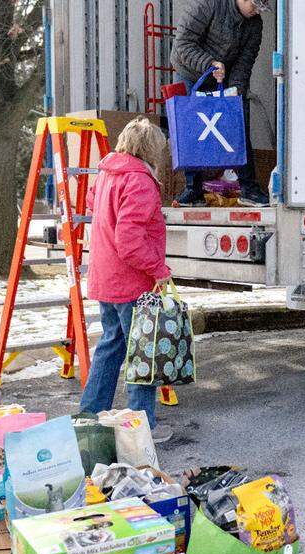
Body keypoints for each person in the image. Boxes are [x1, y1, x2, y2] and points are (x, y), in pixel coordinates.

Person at [79, 117, 174, 442]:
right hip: (130, 282)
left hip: (106, 278)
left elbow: (94, 203)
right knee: (141, 354)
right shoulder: (139, 181)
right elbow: (130, 240)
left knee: (110, 347)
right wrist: (158, 270)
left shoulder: (108, 173)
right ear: (151, 149)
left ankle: (89, 418)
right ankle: (141, 427)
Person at [172, 0, 271, 207]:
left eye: (260, 7)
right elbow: (183, 44)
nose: (256, 11)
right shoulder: (206, 5)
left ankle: (249, 189)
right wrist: (209, 63)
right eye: (254, 5)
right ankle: (193, 190)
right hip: (191, 72)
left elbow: (245, 61)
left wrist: (235, 93)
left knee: (238, 125)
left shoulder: (255, 24)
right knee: (192, 128)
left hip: (223, 76)